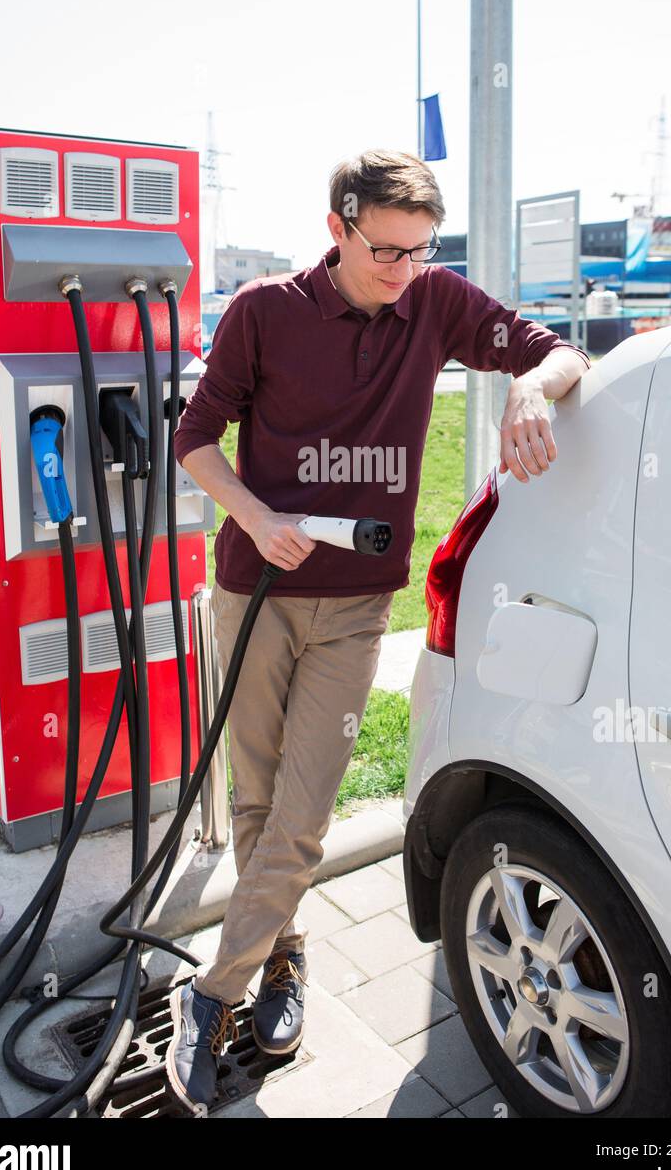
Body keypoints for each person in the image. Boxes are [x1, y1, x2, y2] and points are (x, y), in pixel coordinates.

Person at [164, 148, 591, 1113]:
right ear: (337, 228)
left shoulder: (434, 301)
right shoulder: (263, 311)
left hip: (357, 606)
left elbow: (560, 349)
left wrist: (530, 384)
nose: (403, 271)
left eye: (419, 251)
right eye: (384, 250)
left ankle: (211, 996)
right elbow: (193, 438)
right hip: (253, 592)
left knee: (302, 818)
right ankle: (289, 956)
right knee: (258, 801)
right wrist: (254, 516)